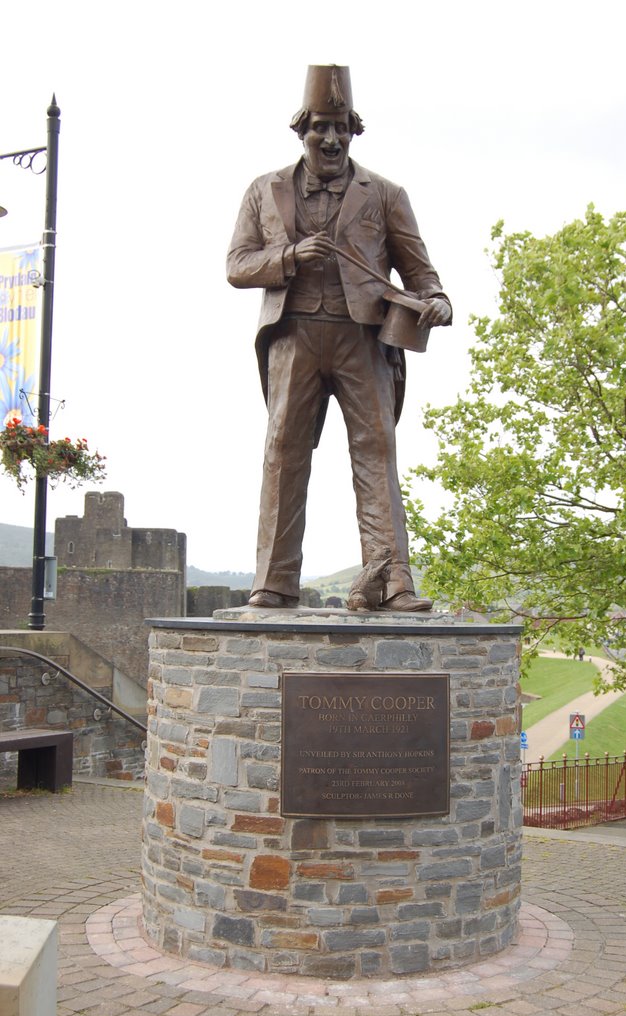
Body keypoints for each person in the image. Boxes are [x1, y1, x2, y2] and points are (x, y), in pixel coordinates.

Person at [227, 65, 451, 611]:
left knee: (376, 453)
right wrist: (288, 256)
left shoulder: (388, 194)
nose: (331, 139)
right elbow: (236, 265)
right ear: (302, 130)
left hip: (365, 340)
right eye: (321, 127)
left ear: (353, 131)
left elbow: (422, 275)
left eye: (342, 128)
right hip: (294, 337)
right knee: (283, 451)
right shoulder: (264, 189)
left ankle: (394, 581)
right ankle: (274, 582)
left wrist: (439, 302)